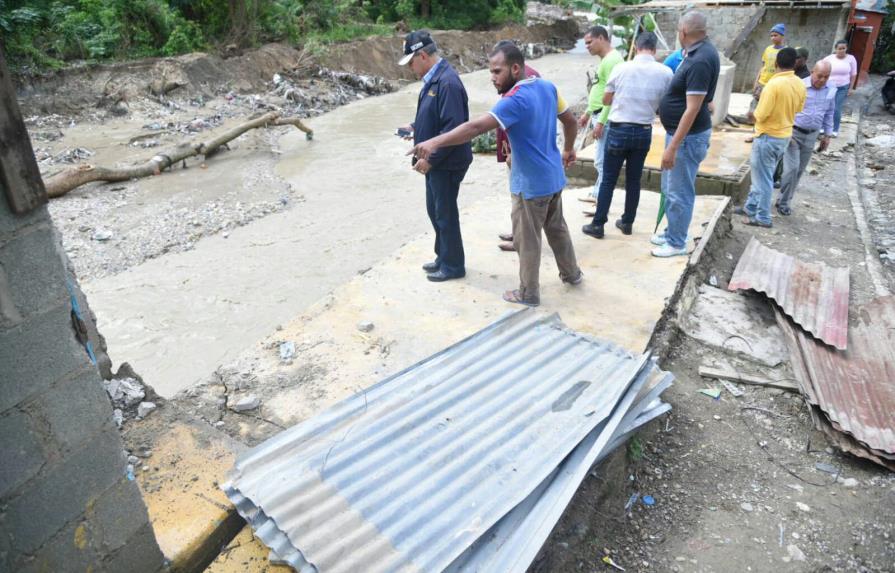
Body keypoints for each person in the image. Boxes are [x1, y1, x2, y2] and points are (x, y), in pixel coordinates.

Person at [409, 42, 582, 307]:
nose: (492, 78)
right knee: (557, 229)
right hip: (554, 177)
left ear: (515, 68)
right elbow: (570, 121)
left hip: (531, 184)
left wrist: (434, 142)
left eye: (497, 72)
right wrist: (568, 150)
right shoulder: (547, 87)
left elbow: (475, 127)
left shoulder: (514, 100)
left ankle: (528, 293)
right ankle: (572, 274)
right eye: (490, 72)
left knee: (527, 240)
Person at [398, 30, 473, 282]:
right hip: (438, 162)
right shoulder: (434, 80)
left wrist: (429, 159)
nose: (410, 68)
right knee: (435, 210)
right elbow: (435, 117)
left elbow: (452, 129)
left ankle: (453, 266)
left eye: (410, 62)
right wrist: (415, 127)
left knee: (445, 213)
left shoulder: (448, 83)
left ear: (421, 55)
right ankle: (443, 256)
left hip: (446, 163)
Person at [582, 32, 673, 239]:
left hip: (619, 130)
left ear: (637, 47)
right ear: (654, 49)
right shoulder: (666, 72)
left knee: (608, 180)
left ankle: (598, 224)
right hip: (643, 131)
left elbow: (605, 100)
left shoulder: (621, 68)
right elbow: (665, 103)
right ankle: (627, 222)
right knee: (634, 180)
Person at [652, 11, 720, 257]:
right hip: (682, 135)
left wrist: (672, 147)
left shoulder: (700, 59)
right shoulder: (700, 52)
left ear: (683, 32)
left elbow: (692, 109)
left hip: (687, 138)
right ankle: (674, 231)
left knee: (679, 191)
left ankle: (677, 242)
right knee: (672, 188)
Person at [736, 47, 806, 227]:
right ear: (795, 64)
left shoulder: (773, 85)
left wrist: (750, 114)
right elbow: (798, 109)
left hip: (768, 136)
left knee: (763, 179)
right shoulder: (799, 83)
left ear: (776, 63)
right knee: (762, 174)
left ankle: (763, 217)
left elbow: (760, 115)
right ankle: (750, 207)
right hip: (783, 136)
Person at [494, 40, 541, 253]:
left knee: (520, 198)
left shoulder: (525, 80)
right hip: (517, 148)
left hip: (520, 151)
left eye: (497, 70)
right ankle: (518, 233)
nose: (494, 77)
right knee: (518, 197)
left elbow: (527, 119)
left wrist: (512, 151)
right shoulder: (529, 76)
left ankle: (521, 240)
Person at [775, 60, 835, 216]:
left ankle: (784, 200)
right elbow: (785, 109)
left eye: (826, 77)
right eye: (819, 76)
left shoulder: (831, 89)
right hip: (794, 133)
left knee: (799, 170)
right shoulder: (799, 85)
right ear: (813, 72)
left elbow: (829, 113)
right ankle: (783, 200)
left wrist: (827, 135)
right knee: (792, 169)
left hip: (812, 135)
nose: (822, 80)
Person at [578, 26, 623, 206]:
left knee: (603, 161)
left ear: (601, 38)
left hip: (604, 117)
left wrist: (601, 122)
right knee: (600, 160)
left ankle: (600, 199)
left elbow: (612, 96)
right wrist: (587, 113)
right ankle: (597, 193)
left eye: (589, 42)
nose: (587, 46)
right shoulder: (606, 60)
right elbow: (599, 89)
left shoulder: (612, 61)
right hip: (597, 114)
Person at [750, 24, 787, 116]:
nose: (773, 38)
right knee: (755, 106)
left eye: (775, 35)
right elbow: (763, 66)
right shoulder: (768, 49)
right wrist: (756, 82)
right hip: (762, 83)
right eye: (771, 35)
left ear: (782, 36)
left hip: (774, 85)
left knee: (768, 109)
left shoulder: (785, 51)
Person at [823, 40, 858, 136]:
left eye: (844, 48)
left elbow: (853, 74)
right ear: (836, 49)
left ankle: (834, 129)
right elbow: (820, 67)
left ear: (846, 48)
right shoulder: (829, 58)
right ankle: (823, 127)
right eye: (839, 48)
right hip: (829, 86)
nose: (842, 50)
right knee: (826, 107)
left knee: (836, 108)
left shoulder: (851, 59)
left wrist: (850, 88)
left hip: (842, 87)